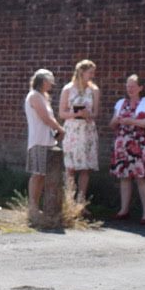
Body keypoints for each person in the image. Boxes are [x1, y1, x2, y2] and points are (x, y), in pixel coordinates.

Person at [110, 74, 145, 224]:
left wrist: (132, 121)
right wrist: (116, 120)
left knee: (141, 177)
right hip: (123, 145)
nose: (129, 89)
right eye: (128, 86)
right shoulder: (120, 103)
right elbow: (112, 125)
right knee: (124, 177)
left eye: (132, 86)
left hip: (140, 144)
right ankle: (123, 210)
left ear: (140, 87)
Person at [25, 69, 65, 225]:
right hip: (38, 141)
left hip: (47, 140)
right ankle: (33, 206)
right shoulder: (34, 96)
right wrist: (60, 129)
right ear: (43, 81)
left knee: (42, 175)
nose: (52, 84)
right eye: (50, 81)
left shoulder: (43, 97)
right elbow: (45, 118)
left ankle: (38, 206)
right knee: (37, 174)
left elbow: (50, 118)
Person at [58, 59, 100, 206]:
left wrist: (88, 114)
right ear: (82, 72)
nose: (92, 75)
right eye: (90, 72)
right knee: (70, 167)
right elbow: (61, 113)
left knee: (85, 168)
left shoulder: (94, 90)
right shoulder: (68, 89)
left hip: (87, 130)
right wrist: (75, 114)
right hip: (72, 130)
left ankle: (81, 202)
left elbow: (96, 113)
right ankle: (69, 201)